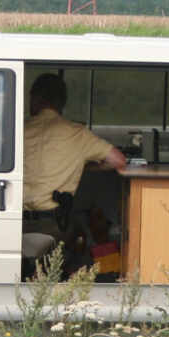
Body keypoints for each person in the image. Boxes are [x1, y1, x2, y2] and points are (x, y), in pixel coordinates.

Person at [22, 73, 126, 240]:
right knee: (83, 231)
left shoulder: (18, 130)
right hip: (55, 225)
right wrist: (88, 166)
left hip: (15, 225)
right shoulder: (77, 133)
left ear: (35, 98)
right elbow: (119, 160)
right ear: (62, 102)